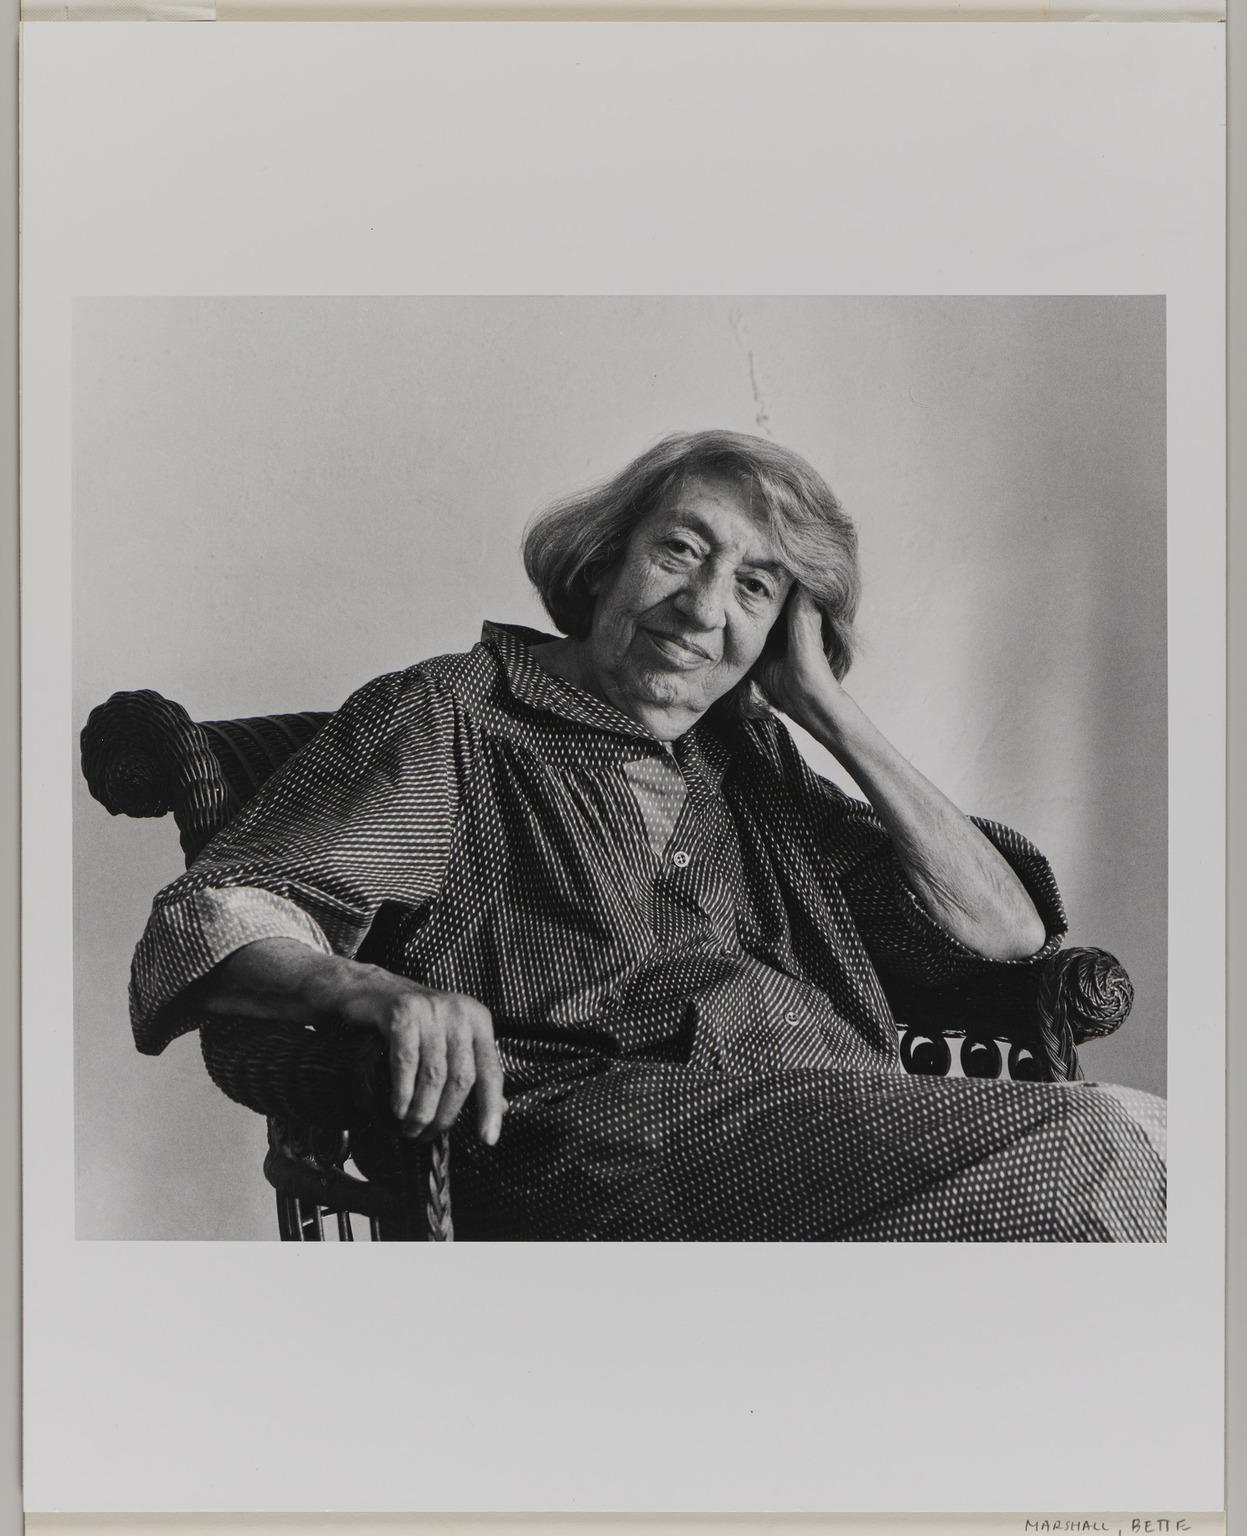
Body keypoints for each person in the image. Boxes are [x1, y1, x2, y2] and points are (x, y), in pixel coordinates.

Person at [130, 430, 1166, 1241]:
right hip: (591, 1155)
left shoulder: (746, 757)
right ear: (601, 563)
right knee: (1103, 1154)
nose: (702, 608)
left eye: (754, 586)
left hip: (831, 1148)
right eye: (680, 550)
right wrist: (374, 991)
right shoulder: (455, 714)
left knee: (1168, 1161)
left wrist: (824, 709)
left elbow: (1002, 933)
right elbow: (220, 912)